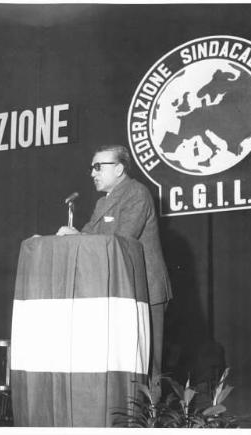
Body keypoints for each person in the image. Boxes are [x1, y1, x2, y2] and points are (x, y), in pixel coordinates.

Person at [57, 144, 172, 398]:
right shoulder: (102, 202)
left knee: (147, 365)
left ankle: (148, 422)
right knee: (123, 362)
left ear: (119, 169)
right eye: (91, 167)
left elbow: (121, 240)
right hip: (118, 291)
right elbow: (89, 234)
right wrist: (68, 237)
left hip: (145, 290)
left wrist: (79, 236)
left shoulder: (137, 194)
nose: (92, 173)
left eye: (98, 166)